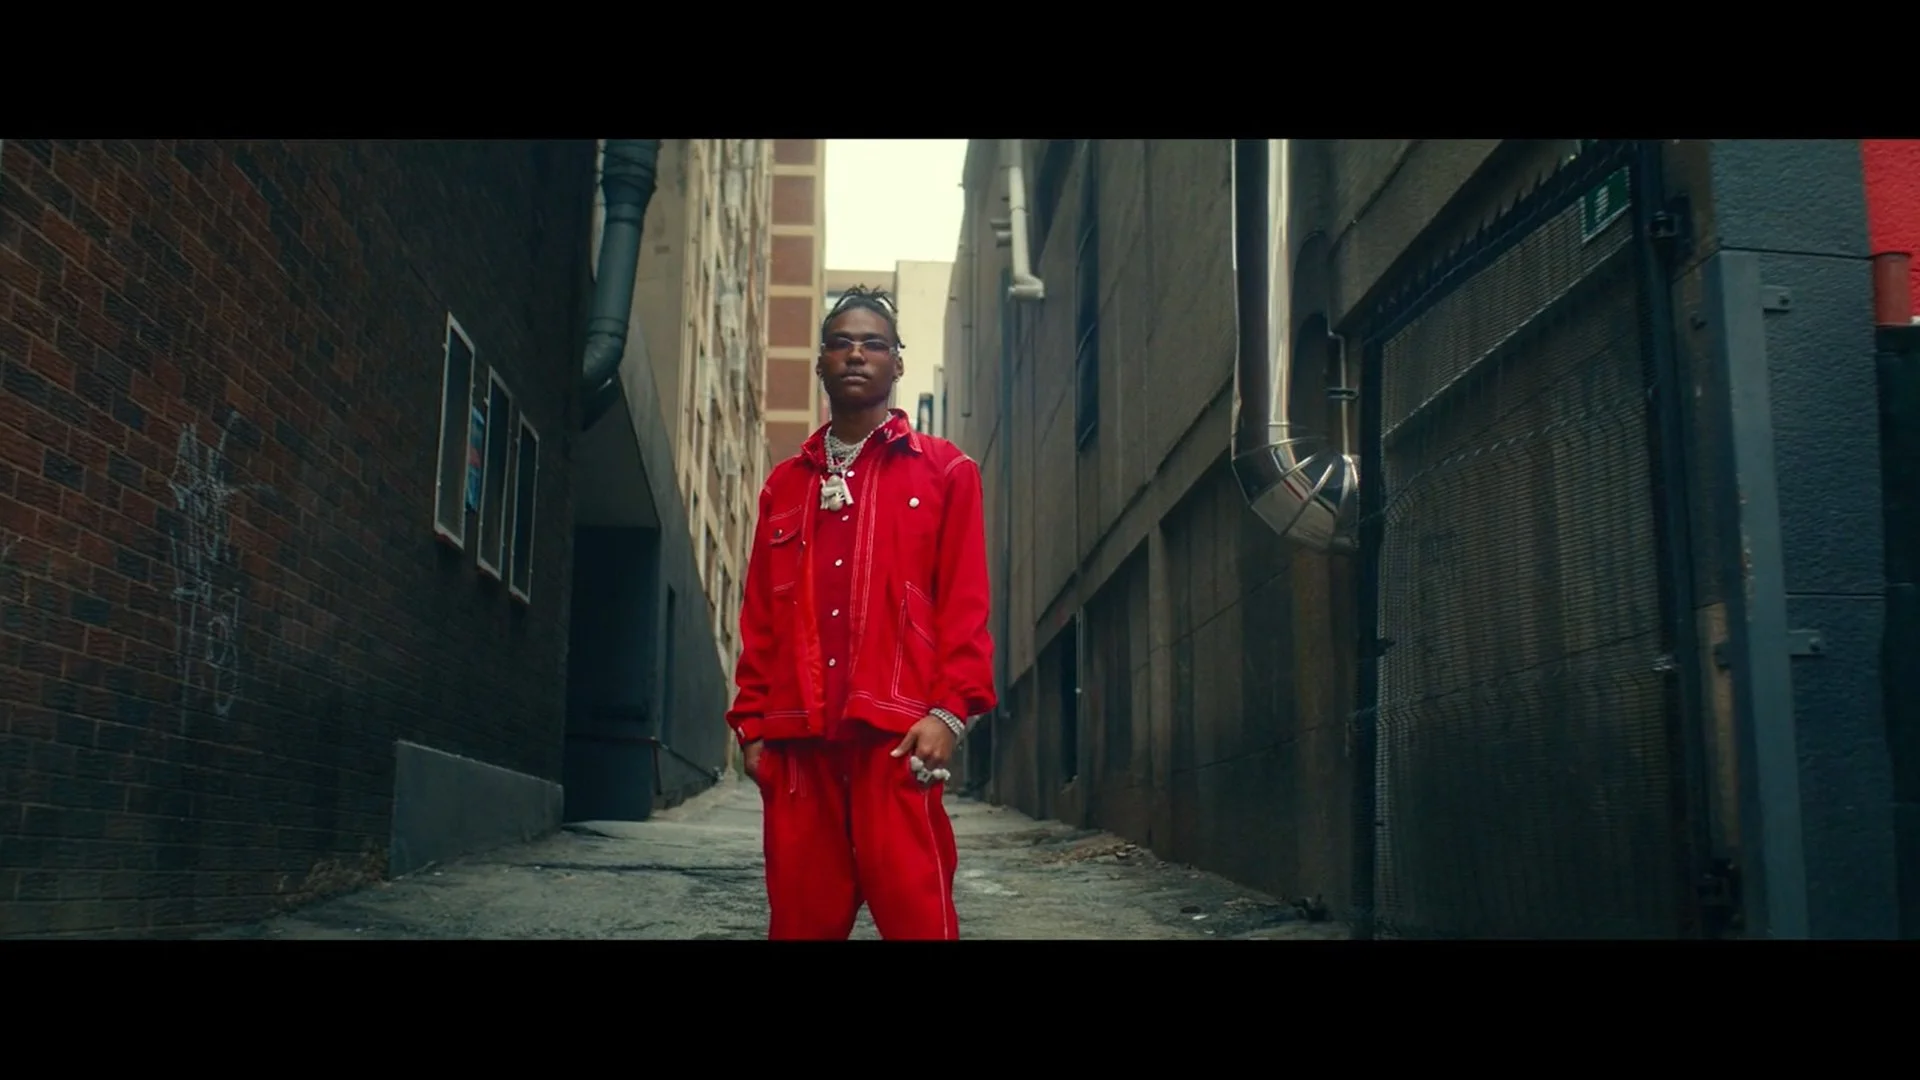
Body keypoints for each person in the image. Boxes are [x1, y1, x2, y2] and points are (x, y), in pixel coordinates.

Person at [726, 287, 997, 941]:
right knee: (801, 922)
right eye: (841, 343)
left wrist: (949, 713)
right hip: (799, 742)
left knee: (918, 919)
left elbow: (965, 604)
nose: (856, 354)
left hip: (896, 739)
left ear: (897, 363)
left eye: (873, 343)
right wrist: (753, 727)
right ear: (820, 362)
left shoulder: (946, 471)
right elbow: (760, 616)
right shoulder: (784, 485)